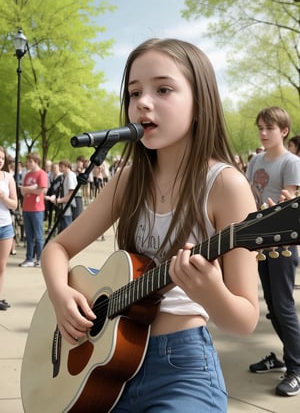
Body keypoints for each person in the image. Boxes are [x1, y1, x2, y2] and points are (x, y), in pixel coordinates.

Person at [41, 38, 259, 412]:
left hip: (183, 369)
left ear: (200, 104)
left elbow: (244, 319)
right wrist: (61, 295)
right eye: (134, 92)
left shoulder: (226, 185)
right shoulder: (127, 180)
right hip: (107, 368)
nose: (143, 102)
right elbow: (57, 249)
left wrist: (210, 291)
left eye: (163, 89)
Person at [246, 106, 300, 396]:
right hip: (261, 244)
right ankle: (286, 358)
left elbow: (290, 204)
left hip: (282, 245)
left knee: (283, 306)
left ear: (284, 131)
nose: (264, 133)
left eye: (270, 128)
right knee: (273, 308)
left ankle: (297, 367)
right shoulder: (255, 161)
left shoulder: (291, 162)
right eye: (261, 128)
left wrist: (286, 200)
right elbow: (248, 197)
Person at [19, 153, 48, 268]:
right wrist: (32, 188)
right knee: (29, 235)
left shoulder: (42, 174)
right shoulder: (27, 175)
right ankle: (29, 258)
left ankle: (40, 259)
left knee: (39, 235)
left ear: (36, 161)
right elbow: (22, 192)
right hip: (26, 208)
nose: (27, 163)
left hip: (37, 209)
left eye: (30, 161)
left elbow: (40, 190)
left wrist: (27, 189)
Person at [0, 146, 18, 310]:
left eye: (2, 158)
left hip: (5, 226)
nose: (0, 160)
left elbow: (14, 204)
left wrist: (4, 198)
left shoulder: (8, 178)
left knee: (1, 266)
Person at [48, 159, 77, 232]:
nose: (60, 169)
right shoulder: (65, 176)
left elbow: (71, 193)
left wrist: (59, 201)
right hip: (65, 206)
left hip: (68, 207)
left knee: (66, 229)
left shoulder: (70, 176)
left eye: (61, 167)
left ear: (66, 166)